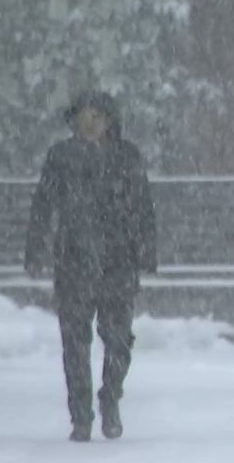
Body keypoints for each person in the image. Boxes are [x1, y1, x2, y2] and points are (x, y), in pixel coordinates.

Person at [25, 91, 157, 442]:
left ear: (109, 120)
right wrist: (35, 247)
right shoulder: (61, 157)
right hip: (73, 261)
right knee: (74, 342)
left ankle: (110, 399)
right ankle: (80, 415)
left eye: (97, 116)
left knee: (118, 341)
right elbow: (43, 203)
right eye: (84, 116)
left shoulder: (127, 156)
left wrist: (146, 248)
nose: (90, 122)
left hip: (118, 262)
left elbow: (143, 204)